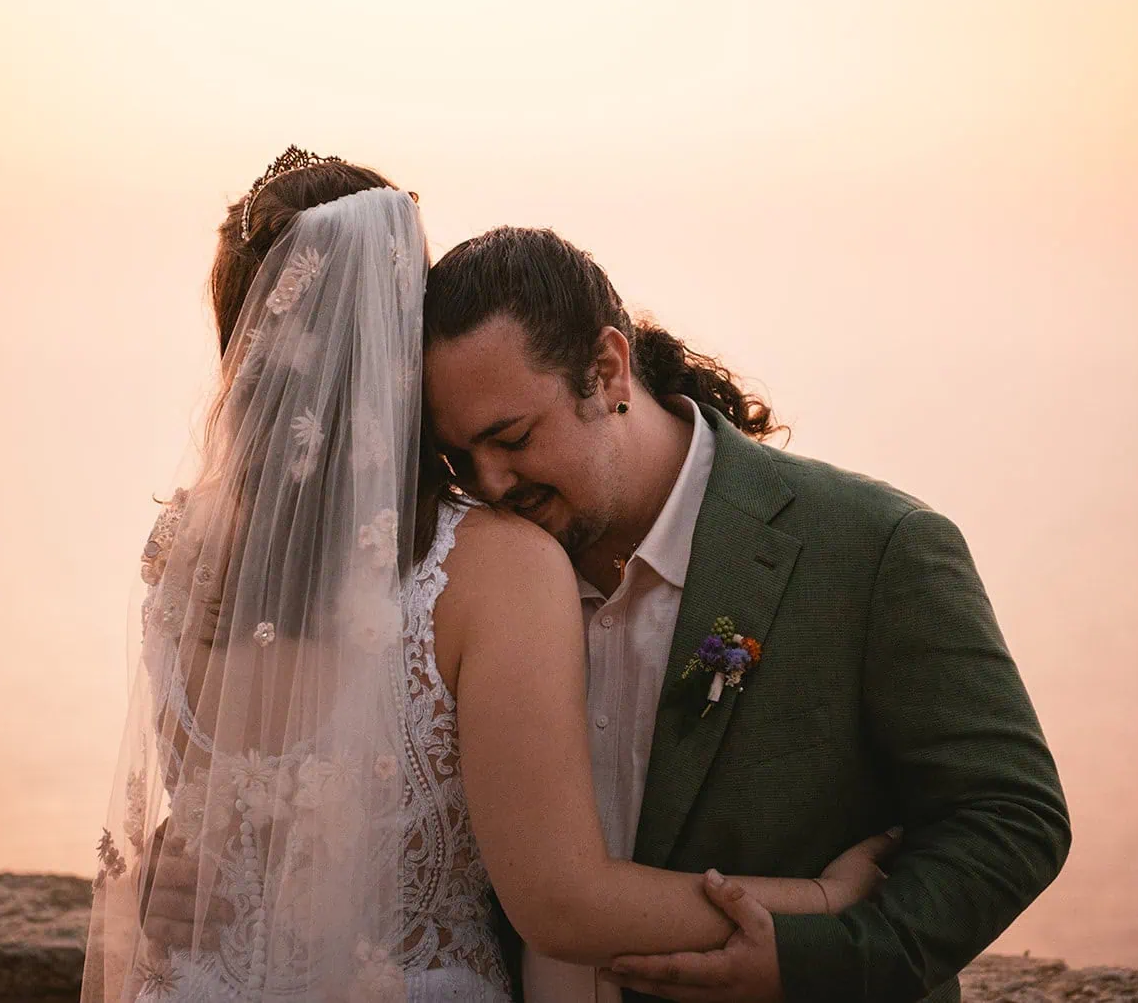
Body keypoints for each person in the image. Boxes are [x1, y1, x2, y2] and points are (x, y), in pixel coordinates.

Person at [80, 151, 895, 1003]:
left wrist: (164, 874)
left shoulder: (183, 554)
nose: (491, 474)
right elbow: (561, 902)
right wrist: (825, 903)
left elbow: (213, 838)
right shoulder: (492, 568)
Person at [421, 227, 1073, 1003]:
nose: (490, 484)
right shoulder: (472, 581)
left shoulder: (875, 548)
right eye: (461, 459)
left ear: (607, 370)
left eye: (513, 438)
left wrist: (813, 962)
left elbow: (1013, 817)